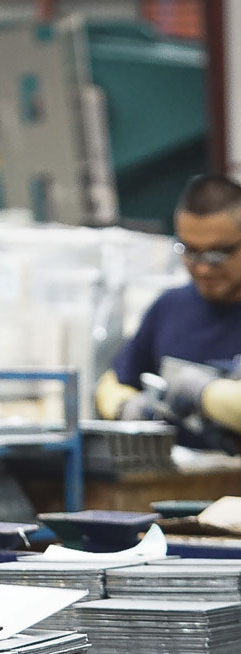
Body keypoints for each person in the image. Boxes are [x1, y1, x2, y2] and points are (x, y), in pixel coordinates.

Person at [96, 175, 241, 450]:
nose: (202, 268)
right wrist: (125, 407)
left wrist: (206, 395)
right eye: (190, 251)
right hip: (180, 482)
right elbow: (114, 379)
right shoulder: (170, 308)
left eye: (218, 253)